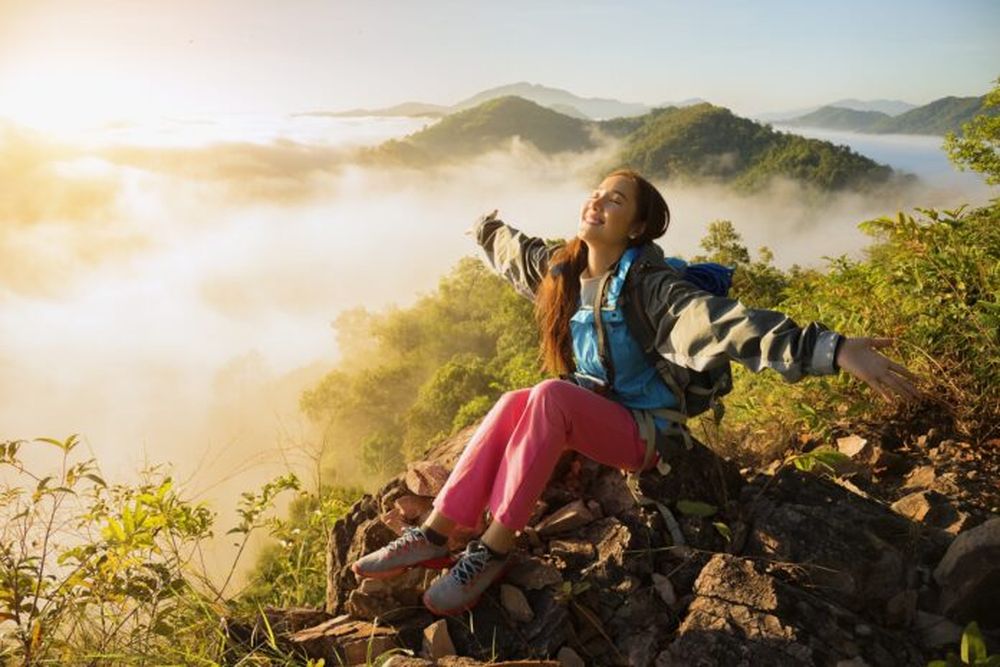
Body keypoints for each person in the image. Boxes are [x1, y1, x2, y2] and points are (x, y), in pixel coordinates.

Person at [351, 168, 923, 616]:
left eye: (616, 199)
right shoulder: (565, 273)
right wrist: (485, 229)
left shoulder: (652, 288)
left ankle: (493, 550)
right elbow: (517, 256)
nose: (596, 202)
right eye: (596, 192)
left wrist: (833, 348)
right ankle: (434, 533)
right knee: (513, 402)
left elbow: (724, 323)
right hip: (593, 411)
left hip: (650, 434)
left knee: (548, 395)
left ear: (638, 228)